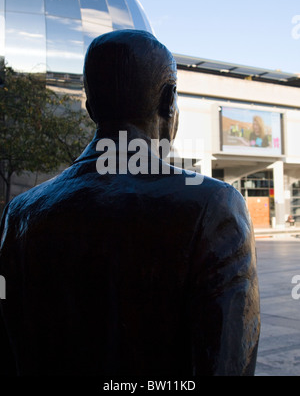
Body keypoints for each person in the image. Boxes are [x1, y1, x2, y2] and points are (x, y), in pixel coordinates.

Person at [0, 30, 260, 376]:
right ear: (169, 101)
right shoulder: (213, 207)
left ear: (90, 106)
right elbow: (228, 363)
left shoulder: (21, 214)